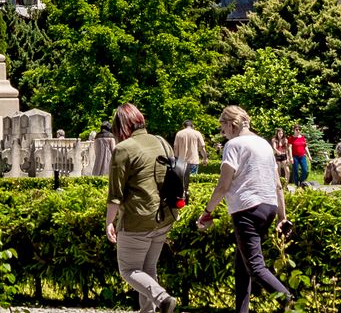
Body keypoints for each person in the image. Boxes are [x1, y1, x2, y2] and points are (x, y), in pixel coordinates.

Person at [196, 104, 294, 313]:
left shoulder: (234, 145)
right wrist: (282, 217)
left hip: (246, 208)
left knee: (256, 268)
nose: (223, 134)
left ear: (232, 124)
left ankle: (290, 303)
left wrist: (207, 211)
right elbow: (278, 184)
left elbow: (223, 185)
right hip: (268, 207)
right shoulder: (266, 145)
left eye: (223, 129)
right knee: (243, 265)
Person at [104, 102, 185, 313]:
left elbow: (115, 195)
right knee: (148, 269)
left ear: (120, 126)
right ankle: (148, 311)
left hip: (138, 220)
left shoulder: (123, 149)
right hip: (165, 216)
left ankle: (163, 298)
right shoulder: (161, 141)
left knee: (129, 270)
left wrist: (109, 222)